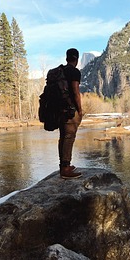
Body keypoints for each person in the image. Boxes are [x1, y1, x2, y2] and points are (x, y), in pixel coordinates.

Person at [58, 48, 84, 179]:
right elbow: (75, 92)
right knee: (69, 137)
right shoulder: (74, 72)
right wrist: (80, 110)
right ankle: (66, 169)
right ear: (76, 59)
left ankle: (63, 166)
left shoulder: (59, 71)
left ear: (67, 57)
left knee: (63, 137)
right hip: (69, 110)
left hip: (58, 110)